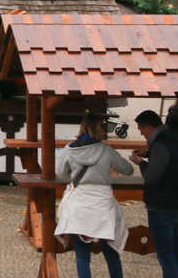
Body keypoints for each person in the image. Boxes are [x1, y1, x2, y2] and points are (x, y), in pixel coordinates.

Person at [55, 114, 133, 278]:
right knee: (111, 253)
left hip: (80, 204)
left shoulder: (70, 149)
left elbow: (61, 174)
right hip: (103, 205)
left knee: (83, 256)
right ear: (99, 130)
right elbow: (128, 170)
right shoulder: (106, 150)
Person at [129, 109, 178, 278]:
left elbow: (152, 178)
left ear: (149, 128)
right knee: (177, 253)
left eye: (141, 130)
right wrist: (149, 154)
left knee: (167, 257)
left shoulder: (160, 144)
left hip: (161, 207)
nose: (142, 134)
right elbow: (172, 159)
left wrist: (141, 163)